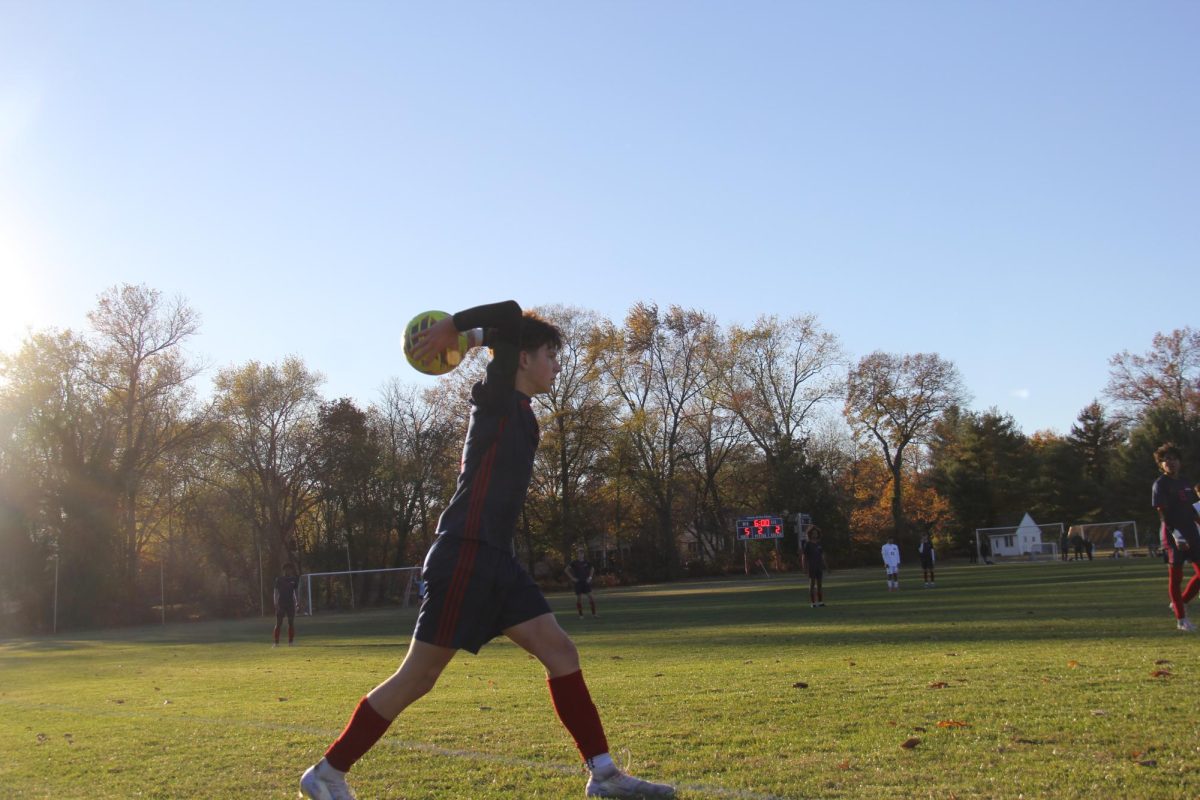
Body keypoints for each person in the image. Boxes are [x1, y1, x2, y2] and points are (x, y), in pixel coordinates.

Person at [299, 301, 674, 799]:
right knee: (417, 678)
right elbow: (511, 315)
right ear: (522, 359)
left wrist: (475, 340)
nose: (557, 364)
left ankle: (604, 775)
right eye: (550, 354)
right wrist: (458, 331)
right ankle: (327, 773)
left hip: (497, 560)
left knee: (561, 651)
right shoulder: (497, 397)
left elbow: (507, 334)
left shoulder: (521, 410)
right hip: (466, 556)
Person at [1152, 443, 1200, 633]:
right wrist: (1176, 534)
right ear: (1161, 464)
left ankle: (1181, 602)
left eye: (1173, 458)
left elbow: (1193, 509)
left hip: (1191, 532)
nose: (1169, 462)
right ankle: (1181, 620)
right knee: (1177, 577)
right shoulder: (1160, 484)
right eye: (1165, 460)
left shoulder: (1186, 482)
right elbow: (1162, 513)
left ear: (1179, 461)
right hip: (1173, 535)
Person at [273, 562, 300, 647]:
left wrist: (297, 602)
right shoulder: (279, 579)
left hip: (290, 604)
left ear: (291, 570)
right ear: (284, 570)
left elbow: (295, 592)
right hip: (281, 603)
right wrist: (275, 602)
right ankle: (276, 643)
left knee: (291, 623)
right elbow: (276, 592)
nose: (288, 570)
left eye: (289, 569)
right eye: (286, 569)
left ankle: (291, 642)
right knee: (278, 623)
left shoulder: (294, 580)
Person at [566, 548, 598, 618]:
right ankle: (581, 615)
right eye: (579, 554)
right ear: (577, 555)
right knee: (579, 599)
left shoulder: (587, 562)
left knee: (591, 597)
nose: (580, 555)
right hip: (578, 583)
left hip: (586, 582)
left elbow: (592, 568)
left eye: (582, 553)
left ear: (583, 555)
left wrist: (590, 577)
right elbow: (566, 570)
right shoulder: (574, 562)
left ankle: (594, 614)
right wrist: (572, 578)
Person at [800, 527, 826, 607]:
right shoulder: (807, 544)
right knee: (812, 584)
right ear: (810, 534)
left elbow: (822, 556)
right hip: (811, 566)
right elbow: (804, 556)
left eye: (816, 533)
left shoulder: (819, 544)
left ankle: (820, 602)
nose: (815, 534)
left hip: (819, 566)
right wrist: (804, 567)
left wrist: (826, 565)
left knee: (819, 585)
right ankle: (813, 603)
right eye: (813, 533)